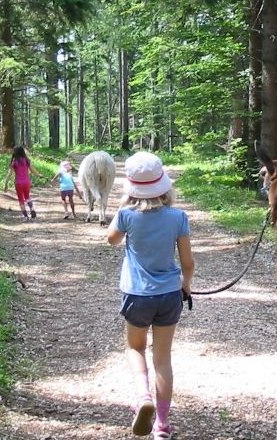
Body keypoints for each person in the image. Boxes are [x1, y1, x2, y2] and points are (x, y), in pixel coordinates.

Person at [106, 151, 194, 440]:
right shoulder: (178, 217)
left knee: (135, 348)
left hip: (136, 295)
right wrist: (187, 285)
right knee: (163, 359)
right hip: (169, 295)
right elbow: (188, 262)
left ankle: (144, 397)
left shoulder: (127, 216)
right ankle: (163, 425)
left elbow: (111, 239)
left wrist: (123, 211)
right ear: (164, 186)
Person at [4, 146, 44, 220]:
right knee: (27, 196)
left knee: (21, 199)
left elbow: (9, 174)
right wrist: (39, 175)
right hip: (26, 182)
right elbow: (33, 170)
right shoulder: (26, 160)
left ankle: (26, 216)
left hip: (18, 183)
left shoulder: (14, 162)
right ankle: (32, 209)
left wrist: (6, 184)